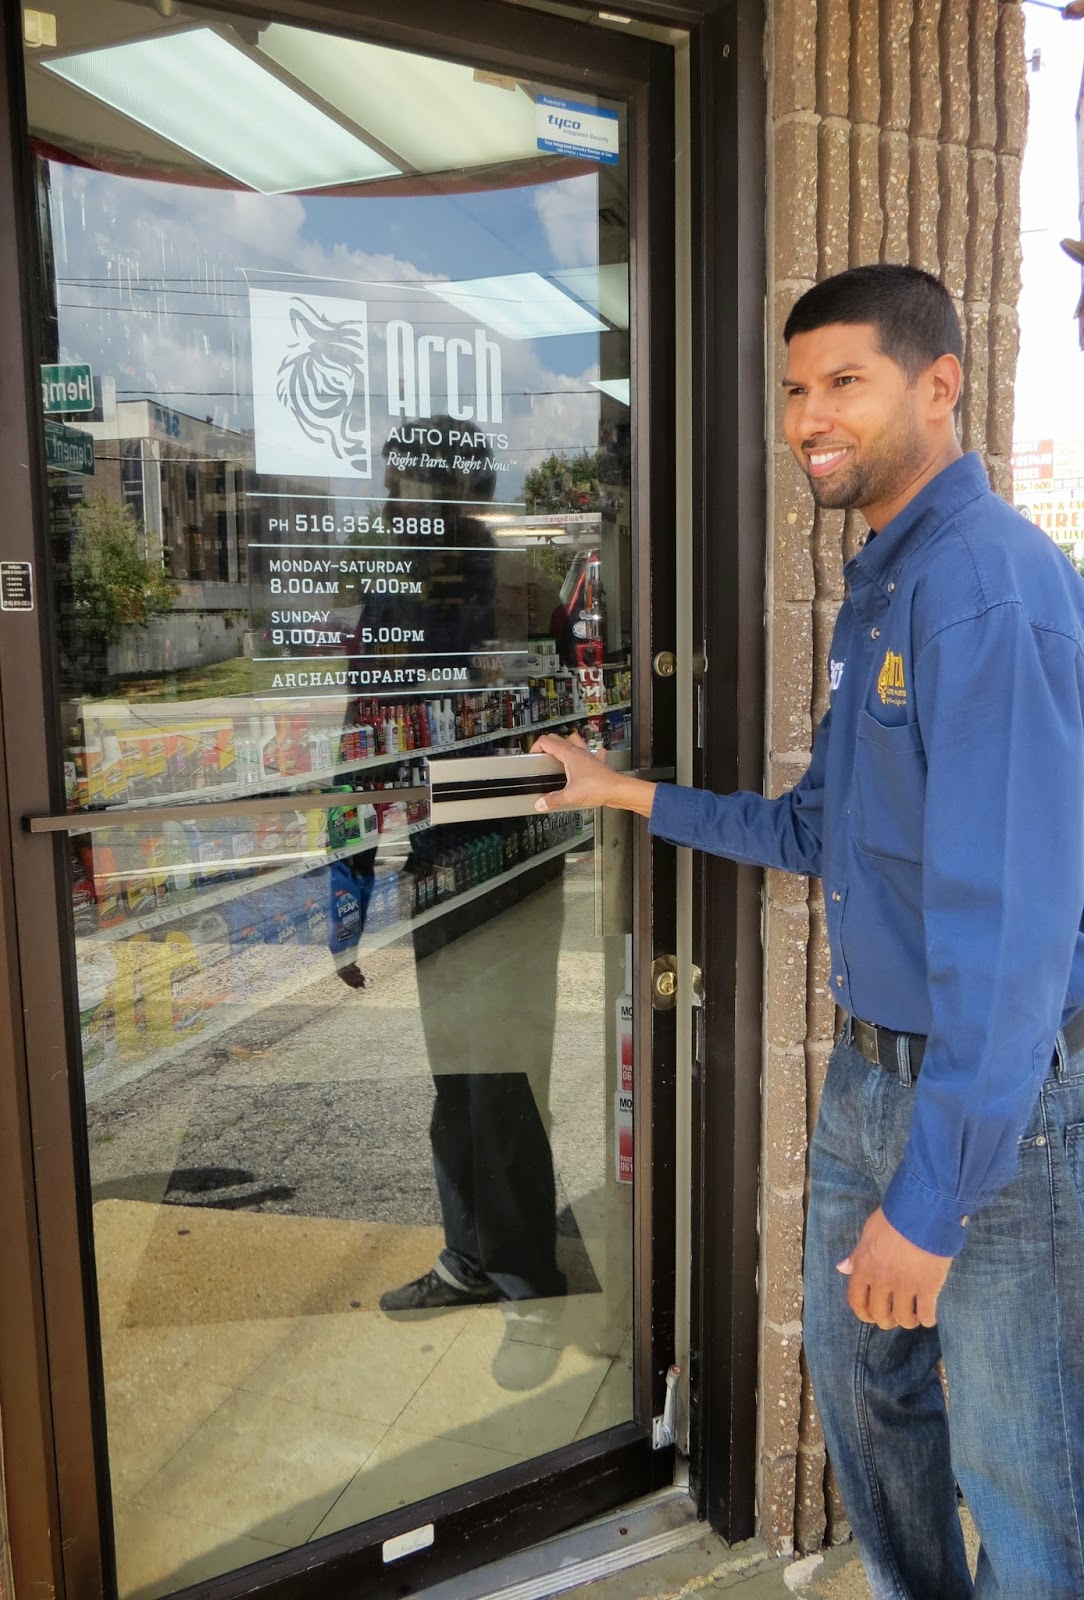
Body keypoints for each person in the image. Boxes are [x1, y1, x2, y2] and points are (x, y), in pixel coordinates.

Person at [534, 264, 1084, 1597]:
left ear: (938, 386)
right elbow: (815, 833)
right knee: (868, 1397)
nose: (806, 417)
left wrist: (939, 1189)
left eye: (844, 381)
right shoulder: (887, 584)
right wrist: (625, 794)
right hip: (869, 1082)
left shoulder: (987, 590)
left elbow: (1013, 934)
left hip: (991, 1110)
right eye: (793, 389)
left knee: (1022, 1476)